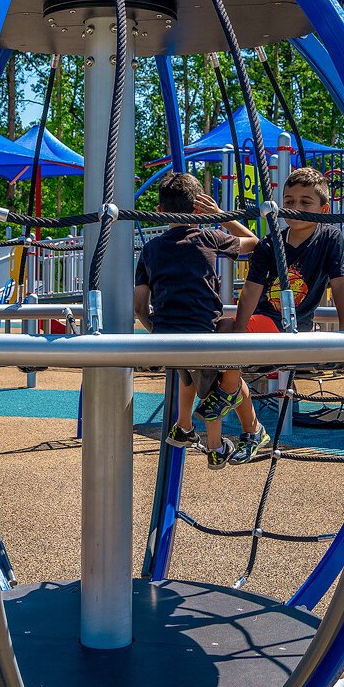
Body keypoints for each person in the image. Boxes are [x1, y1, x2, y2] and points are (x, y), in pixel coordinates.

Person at [134, 172, 265, 468]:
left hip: (167, 337)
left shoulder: (150, 249)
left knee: (189, 374)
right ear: (199, 210)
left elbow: (140, 306)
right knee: (220, 374)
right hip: (204, 331)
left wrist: (157, 329)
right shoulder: (208, 235)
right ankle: (217, 447)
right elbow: (254, 242)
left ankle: (183, 427)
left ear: (159, 213)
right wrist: (220, 215)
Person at [231, 167, 344, 460]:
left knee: (223, 346)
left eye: (305, 202)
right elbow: (251, 291)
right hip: (264, 320)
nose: (295, 208)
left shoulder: (329, 238)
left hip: (289, 325)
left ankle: (247, 424)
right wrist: (236, 333)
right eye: (289, 201)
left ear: (323, 209)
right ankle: (241, 418)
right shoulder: (271, 242)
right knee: (220, 332)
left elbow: (341, 284)